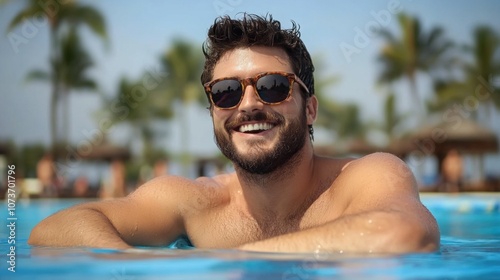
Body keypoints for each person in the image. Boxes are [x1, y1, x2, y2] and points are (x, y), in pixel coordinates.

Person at [28, 14, 439, 253]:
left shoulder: (365, 179)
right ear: (213, 111)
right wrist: (132, 263)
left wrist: (219, 262)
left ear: (309, 107)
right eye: (226, 93)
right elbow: (50, 233)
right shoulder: (194, 202)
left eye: (273, 86)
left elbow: (406, 233)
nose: (248, 105)